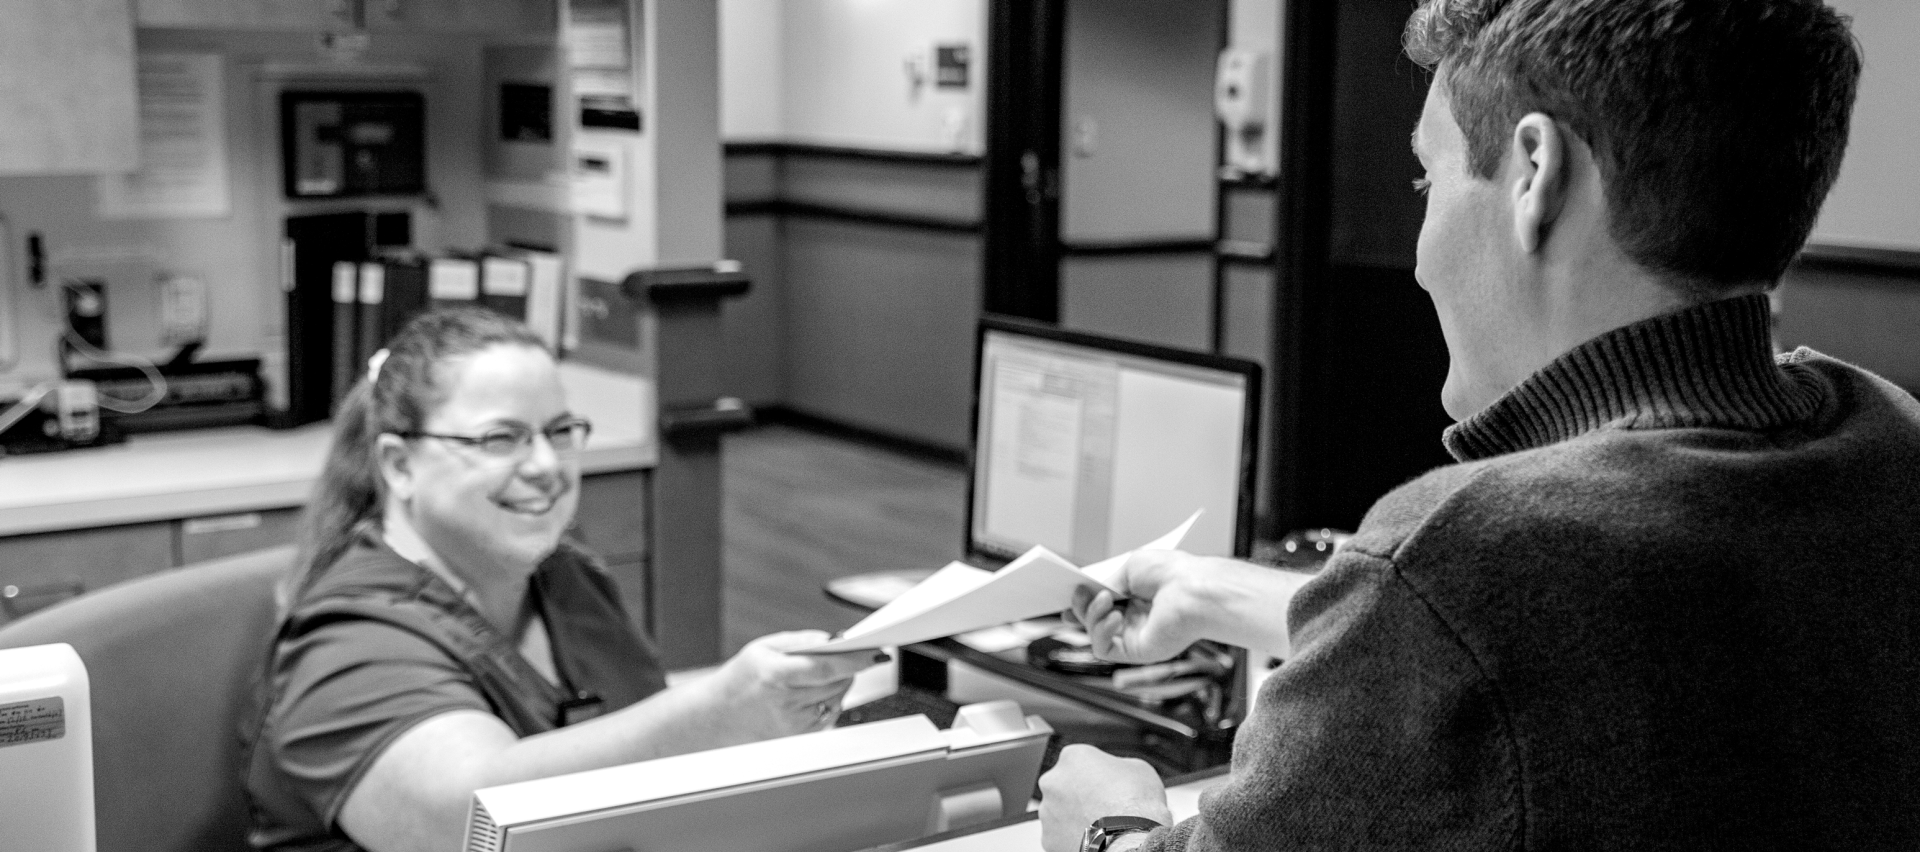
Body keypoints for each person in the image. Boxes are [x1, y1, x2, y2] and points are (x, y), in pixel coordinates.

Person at [1039, 1, 1920, 849]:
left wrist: (1107, 822)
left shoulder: (1465, 556)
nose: (1420, 258)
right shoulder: (1887, 438)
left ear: (1535, 173)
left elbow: (1483, 608)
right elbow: (1577, 650)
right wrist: (1219, 594)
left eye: (1430, 176)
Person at [246, 307, 881, 852]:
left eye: (559, 431)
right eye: (502, 439)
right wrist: (716, 712)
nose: (547, 466)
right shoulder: (348, 642)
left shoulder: (562, 577)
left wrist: (785, 697)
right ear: (398, 465)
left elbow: (631, 716)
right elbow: (471, 821)